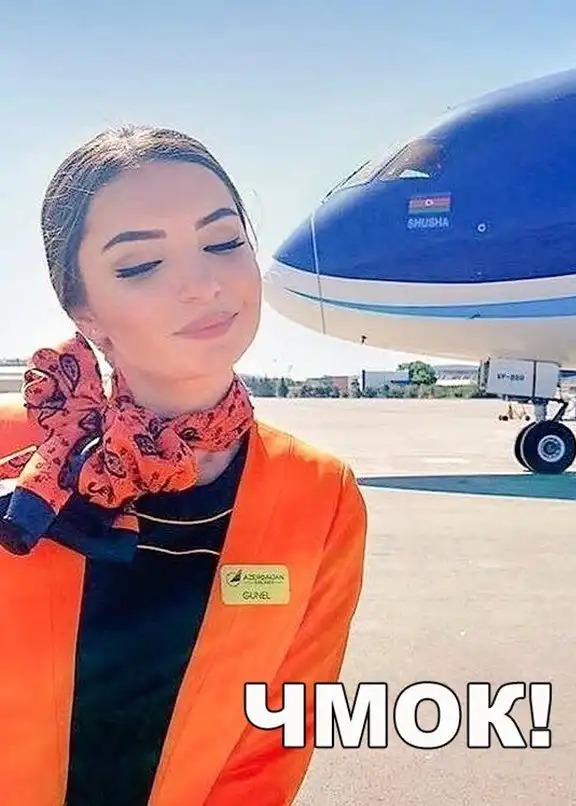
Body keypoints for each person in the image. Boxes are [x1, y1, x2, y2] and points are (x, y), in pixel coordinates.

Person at [0, 125, 368, 806]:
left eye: (223, 243)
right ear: (84, 310)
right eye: (141, 264)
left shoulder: (320, 494)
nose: (202, 284)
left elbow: (274, 738)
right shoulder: (15, 453)